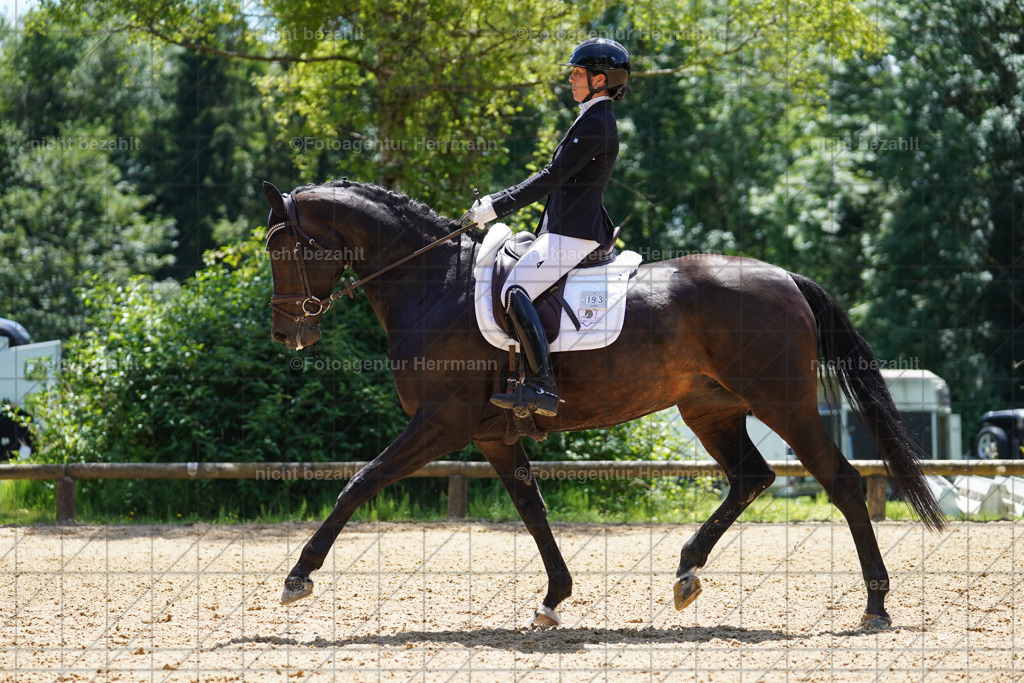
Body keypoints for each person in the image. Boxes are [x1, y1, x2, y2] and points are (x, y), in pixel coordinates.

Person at [462, 37, 630, 418]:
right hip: (565, 228)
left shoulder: (598, 123)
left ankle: (542, 385)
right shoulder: (590, 116)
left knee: (516, 288)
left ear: (600, 80)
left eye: (578, 73)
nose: (571, 79)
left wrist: (495, 206)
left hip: (575, 233)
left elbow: (550, 177)